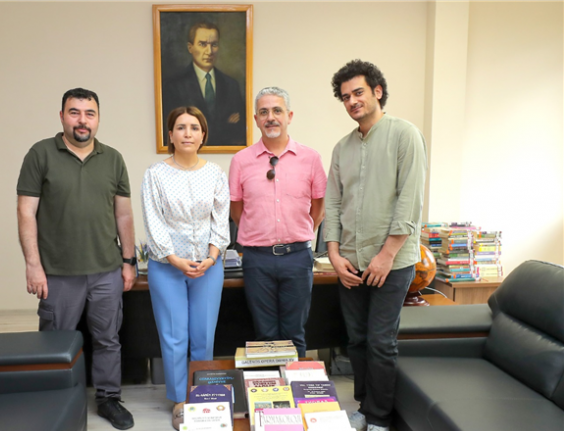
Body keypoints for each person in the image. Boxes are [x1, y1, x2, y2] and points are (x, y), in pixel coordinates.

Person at [16, 88, 136, 430]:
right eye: (74, 112)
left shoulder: (113, 158)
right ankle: (55, 400)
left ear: (98, 119)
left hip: (106, 270)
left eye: (89, 113)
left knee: (108, 339)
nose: (82, 120)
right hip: (57, 272)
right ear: (62, 116)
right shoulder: (40, 154)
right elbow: (26, 212)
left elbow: (124, 215)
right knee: (56, 340)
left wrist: (128, 261)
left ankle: (109, 398)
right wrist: (33, 265)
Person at [324, 60, 427, 431]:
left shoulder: (405, 134)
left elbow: (410, 200)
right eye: (345, 97)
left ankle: (380, 419)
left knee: (381, 341)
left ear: (377, 91)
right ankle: (365, 408)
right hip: (351, 261)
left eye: (358, 93)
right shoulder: (342, 148)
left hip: (392, 262)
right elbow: (333, 204)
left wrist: (386, 256)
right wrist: (334, 254)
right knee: (356, 340)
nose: (352, 101)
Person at [141, 106, 230, 429]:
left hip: (208, 265)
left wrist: (212, 256)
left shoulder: (216, 173)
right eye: (181, 127)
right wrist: (174, 259)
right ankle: (180, 400)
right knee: (174, 336)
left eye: (194, 127)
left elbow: (221, 220)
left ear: (203, 135)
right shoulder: (155, 174)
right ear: (171, 135)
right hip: (167, 266)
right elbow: (154, 222)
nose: (187, 133)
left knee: (203, 335)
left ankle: (202, 395)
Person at [229, 87, 326, 358]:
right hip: (257, 260)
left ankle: (295, 385)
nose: (270, 117)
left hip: (297, 258)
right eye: (263, 112)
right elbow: (237, 212)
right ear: (256, 119)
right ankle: (270, 386)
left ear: (289, 116)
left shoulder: (311, 158)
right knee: (265, 334)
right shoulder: (241, 161)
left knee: (295, 334)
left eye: (276, 111)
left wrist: (299, 233)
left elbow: (319, 208)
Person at [163, 21, 246, 147]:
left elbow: (239, 132)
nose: (209, 51)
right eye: (202, 44)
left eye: (214, 45)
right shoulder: (174, 86)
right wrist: (225, 125)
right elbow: (170, 130)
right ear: (190, 47)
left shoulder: (231, 85)